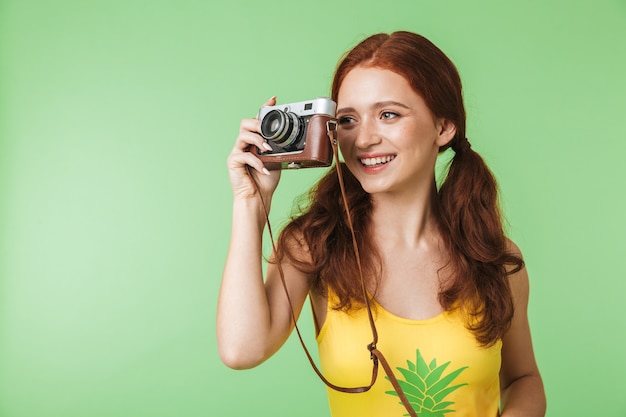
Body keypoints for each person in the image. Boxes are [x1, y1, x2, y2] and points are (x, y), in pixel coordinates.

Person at [217, 31, 546, 416]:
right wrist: (250, 205)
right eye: (347, 120)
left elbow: (524, 380)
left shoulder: (495, 258)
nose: (364, 139)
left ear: (444, 127)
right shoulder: (315, 245)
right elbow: (241, 350)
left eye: (388, 114)